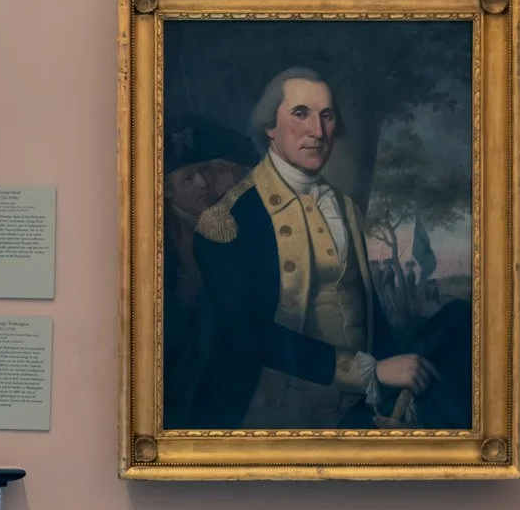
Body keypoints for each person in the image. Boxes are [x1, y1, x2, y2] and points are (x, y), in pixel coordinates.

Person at [185, 68, 440, 429]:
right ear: (269, 127)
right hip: (262, 416)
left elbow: (363, 305)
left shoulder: (346, 208)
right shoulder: (227, 222)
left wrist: (390, 384)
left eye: (327, 116)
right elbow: (248, 337)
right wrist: (371, 370)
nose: (317, 132)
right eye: (301, 114)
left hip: (353, 411)